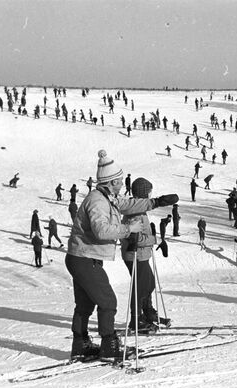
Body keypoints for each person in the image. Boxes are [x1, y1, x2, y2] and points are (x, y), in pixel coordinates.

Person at [65, 150, 178, 362]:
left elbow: (130, 204)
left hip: (82, 256)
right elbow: (101, 231)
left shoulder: (109, 197)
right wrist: (129, 229)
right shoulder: (97, 202)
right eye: (118, 180)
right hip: (83, 258)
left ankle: (80, 344)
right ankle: (110, 345)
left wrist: (156, 202)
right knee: (108, 301)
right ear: (109, 183)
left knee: (85, 304)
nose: (121, 184)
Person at [120, 177, 159, 332]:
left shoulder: (138, 208)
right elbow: (134, 238)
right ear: (143, 193)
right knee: (140, 287)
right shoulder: (135, 211)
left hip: (142, 255)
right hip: (135, 254)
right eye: (149, 192)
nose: (150, 195)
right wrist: (155, 239)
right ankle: (135, 320)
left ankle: (147, 313)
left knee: (148, 283)